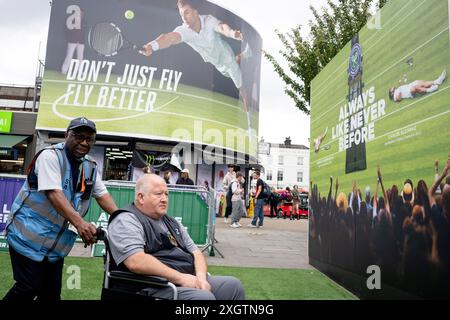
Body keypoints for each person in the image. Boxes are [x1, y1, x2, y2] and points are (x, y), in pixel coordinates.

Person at [3, 117, 119, 300]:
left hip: (54, 247)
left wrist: (123, 218)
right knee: (28, 287)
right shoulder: (50, 156)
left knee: (50, 295)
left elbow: (103, 196)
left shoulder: (90, 166)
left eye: (89, 139)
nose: (84, 142)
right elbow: (54, 194)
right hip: (26, 238)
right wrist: (80, 224)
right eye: (79, 136)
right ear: (66, 135)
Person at [107, 174, 245, 300]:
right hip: (149, 286)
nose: (164, 199)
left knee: (233, 286)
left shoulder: (171, 222)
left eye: (166, 194)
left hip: (182, 277)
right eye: (158, 194)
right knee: (203, 298)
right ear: (141, 197)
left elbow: (196, 252)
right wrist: (182, 279)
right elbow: (136, 261)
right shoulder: (126, 220)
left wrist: (201, 278)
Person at [141, 0, 253, 137]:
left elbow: (222, 27)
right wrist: (152, 45)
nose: (184, 17)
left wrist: (232, 33)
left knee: (241, 87)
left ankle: (249, 125)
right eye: (182, 14)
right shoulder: (184, 31)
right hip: (217, 63)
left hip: (226, 57)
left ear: (195, 12)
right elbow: (169, 38)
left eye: (187, 12)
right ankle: (244, 55)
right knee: (227, 71)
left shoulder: (208, 20)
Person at [61, 5, 86, 75]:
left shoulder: (84, 21)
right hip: (72, 42)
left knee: (80, 57)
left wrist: (81, 40)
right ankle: (64, 70)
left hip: (81, 42)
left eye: (81, 13)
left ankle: (80, 71)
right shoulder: (71, 20)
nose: (80, 14)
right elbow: (67, 30)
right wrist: (70, 38)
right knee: (69, 56)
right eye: (79, 12)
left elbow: (84, 32)